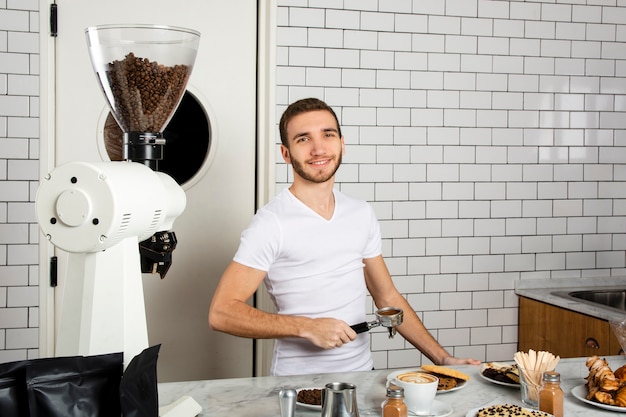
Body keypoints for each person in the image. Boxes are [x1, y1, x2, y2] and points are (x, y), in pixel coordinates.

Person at [209, 98, 481, 376]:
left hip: (361, 375)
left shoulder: (360, 213)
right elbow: (222, 313)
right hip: (297, 383)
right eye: (303, 139)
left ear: (342, 143)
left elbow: (387, 296)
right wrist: (306, 326)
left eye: (328, 135)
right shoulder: (272, 223)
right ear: (286, 153)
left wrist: (442, 359)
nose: (318, 148)